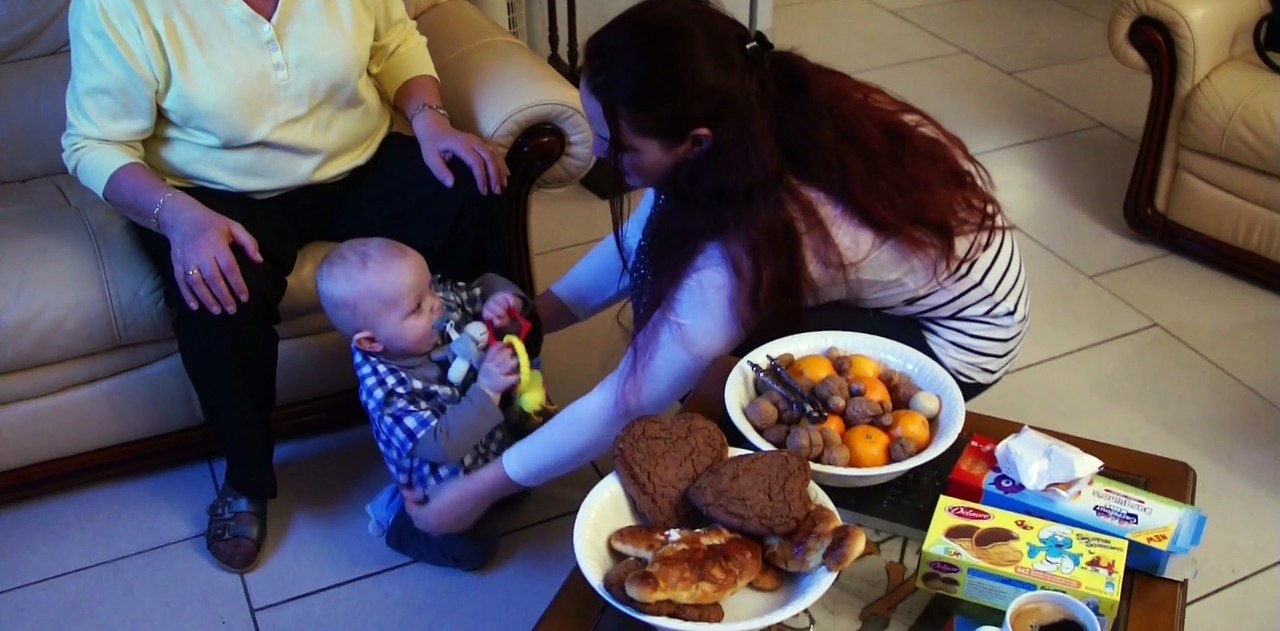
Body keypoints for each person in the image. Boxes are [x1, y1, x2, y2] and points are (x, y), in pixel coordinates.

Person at [385, 0, 1029, 536]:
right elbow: (636, 244)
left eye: (621, 147)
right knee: (708, 358)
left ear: (694, 144)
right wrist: (532, 319)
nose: (604, 159)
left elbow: (630, 397)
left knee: (746, 387)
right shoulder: (738, 116)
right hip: (921, 283)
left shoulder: (755, 237)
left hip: (960, 341)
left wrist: (472, 493)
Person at [61, 0, 512, 572]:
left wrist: (429, 119)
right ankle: (247, 478)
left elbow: (395, 42)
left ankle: (499, 407)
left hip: (357, 162)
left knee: (476, 191)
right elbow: (94, 144)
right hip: (212, 192)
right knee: (218, 295)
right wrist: (177, 217)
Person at [315, 238, 534, 570]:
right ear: (372, 341)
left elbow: (479, 286)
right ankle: (396, 520)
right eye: (417, 307)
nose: (435, 304)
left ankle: (489, 482)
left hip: (487, 444)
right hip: (441, 483)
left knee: (523, 482)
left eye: (430, 287)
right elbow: (441, 444)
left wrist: (501, 300)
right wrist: (488, 388)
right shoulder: (387, 393)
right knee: (476, 550)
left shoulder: (434, 305)